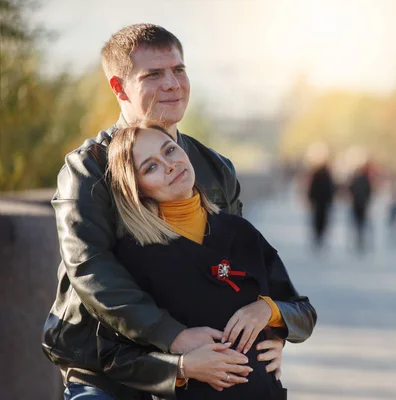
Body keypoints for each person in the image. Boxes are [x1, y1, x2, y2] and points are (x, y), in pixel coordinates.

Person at [42, 24, 307, 400]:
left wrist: (270, 332)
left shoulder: (214, 167)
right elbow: (91, 268)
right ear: (119, 88)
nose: (172, 83)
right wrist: (173, 337)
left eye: (178, 70)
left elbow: (239, 270)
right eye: (153, 74)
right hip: (110, 366)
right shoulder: (87, 169)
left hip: (207, 365)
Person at [94, 124, 316, 399]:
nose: (170, 165)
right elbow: (115, 358)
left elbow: (303, 313)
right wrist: (182, 368)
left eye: (170, 150)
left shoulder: (240, 231)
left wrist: (268, 312)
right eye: (151, 167)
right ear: (136, 190)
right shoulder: (136, 254)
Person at [307, 161, 336, 250]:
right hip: (321, 203)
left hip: (320, 203)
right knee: (320, 222)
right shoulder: (325, 177)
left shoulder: (322, 176)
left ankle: (319, 238)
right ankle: (319, 238)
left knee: (319, 222)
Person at [348, 162, 373, 252]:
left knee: (358, 223)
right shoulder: (365, 180)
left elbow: (351, 189)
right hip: (361, 204)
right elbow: (369, 191)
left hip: (357, 203)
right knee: (360, 223)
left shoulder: (356, 179)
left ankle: (359, 240)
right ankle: (359, 240)